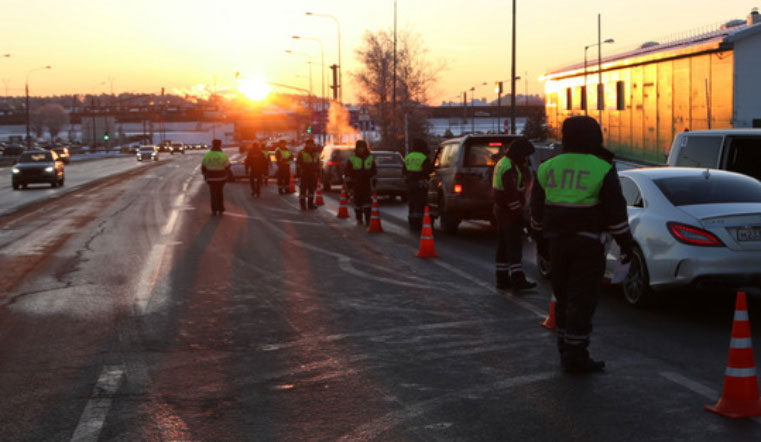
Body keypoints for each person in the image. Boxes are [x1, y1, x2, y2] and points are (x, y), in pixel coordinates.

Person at [530, 116, 634, 373]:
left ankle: (565, 349)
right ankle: (576, 355)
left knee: (563, 298)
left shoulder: (546, 167)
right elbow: (616, 214)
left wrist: (542, 245)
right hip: (588, 245)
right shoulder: (601, 168)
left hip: (556, 244)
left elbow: (536, 214)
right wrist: (626, 245)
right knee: (582, 299)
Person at [493, 137, 537, 291]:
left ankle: (502, 279)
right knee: (514, 247)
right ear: (519, 154)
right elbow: (511, 195)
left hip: (502, 211)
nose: (527, 159)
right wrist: (521, 215)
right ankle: (518, 280)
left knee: (503, 247)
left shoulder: (503, 163)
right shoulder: (510, 168)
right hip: (509, 213)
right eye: (526, 155)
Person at [403, 138, 433, 231]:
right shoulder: (424, 158)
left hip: (410, 184)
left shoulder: (408, 157)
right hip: (421, 184)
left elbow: (403, 171)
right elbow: (428, 171)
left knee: (412, 203)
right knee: (420, 203)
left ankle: (412, 222)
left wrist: (411, 176)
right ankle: (419, 223)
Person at [344, 140, 377, 225]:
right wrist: (349, 186)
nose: (361, 149)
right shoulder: (352, 159)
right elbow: (347, 172)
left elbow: (374, 171)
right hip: (356, 184)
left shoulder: (370, 158)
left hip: (366, 183)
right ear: (357, 148)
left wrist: (374, 183)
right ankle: (359, 219)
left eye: (363, 147)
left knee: (367, 203)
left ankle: (368, 219)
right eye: (359, 147)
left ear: (365, 148)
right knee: (358, 203)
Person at [201, 139, 230, 215]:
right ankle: (221, 208)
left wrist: (205, 175)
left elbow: (203, 166)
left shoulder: (207, 155)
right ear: (220, 145)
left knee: (213, 193)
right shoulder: (223, 155)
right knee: (220, 192)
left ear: (212, 144)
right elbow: (227, 166)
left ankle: (214, 209)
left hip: (211, 177)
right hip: (221, 177)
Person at [296, 139, 321, 210]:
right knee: (303, 190)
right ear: (306, 145)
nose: (310, 146)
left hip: (313, 174)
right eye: (309, 144)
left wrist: (318, 173)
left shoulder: (316, 153)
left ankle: (310, 204)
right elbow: (298, 164)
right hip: (304, 174)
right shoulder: (302, 153)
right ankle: (303, 205)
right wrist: (299, 174)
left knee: (311, 190)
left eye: (312, 144)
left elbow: (318, 164)